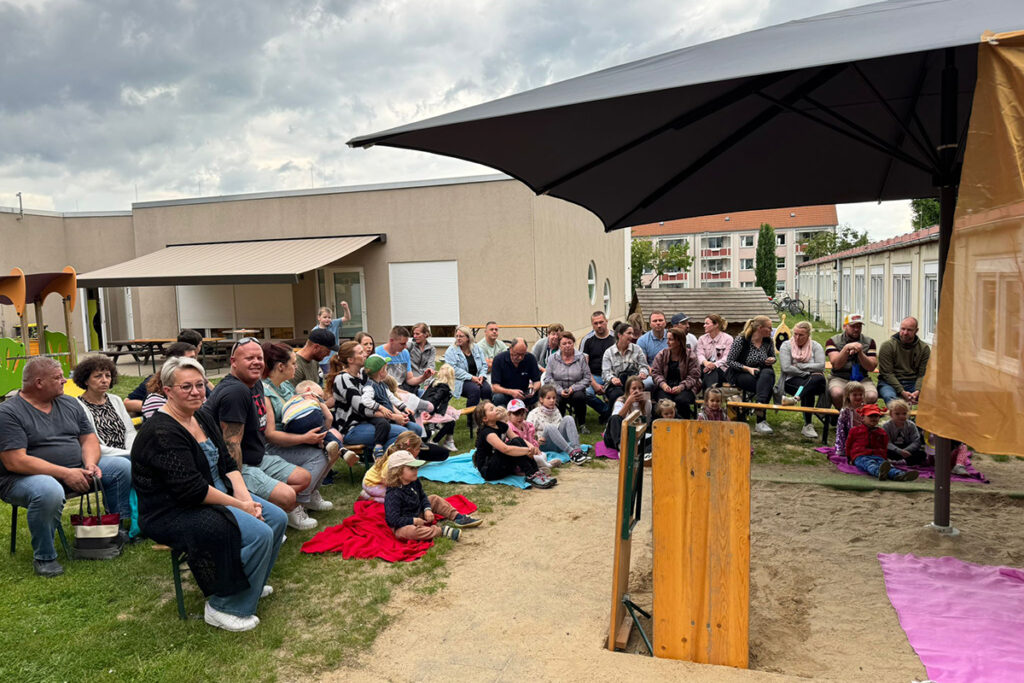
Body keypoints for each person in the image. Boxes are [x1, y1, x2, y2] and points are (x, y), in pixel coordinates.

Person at [131, 356, 287, 632]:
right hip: (174, 508)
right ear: (167, 391)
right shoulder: (161, 432)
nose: (196, 392)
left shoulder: (201, 415)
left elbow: (227, 463)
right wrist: (240, 505)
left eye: (200, 385)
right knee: (259, 533)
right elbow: (192, 490)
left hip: (218, 493)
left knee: (277, 517)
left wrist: (246, 499)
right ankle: (222, 605)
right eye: (186, 387)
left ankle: (249, 582)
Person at [0, 357, 132, 577]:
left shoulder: (69, 403)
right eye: (58, 377)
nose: (64, 380)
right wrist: (65, 473)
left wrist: (90, 464)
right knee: (48, 490)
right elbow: (16, 461)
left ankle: (114, 530)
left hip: (76, 468)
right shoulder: (9, 413)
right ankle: (44, 557)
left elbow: (89, 438)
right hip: (22, 478)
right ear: (39, 382)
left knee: (120, 467)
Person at [202, 338, 315, 531]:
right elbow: (232, 445)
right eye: (249, 358)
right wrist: (238, 489)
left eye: (259, 357)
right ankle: (265, 513)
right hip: (241, 465)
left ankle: (272, 506)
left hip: (259, 457)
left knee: (304, 478)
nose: (256, 362)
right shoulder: (234, 392)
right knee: (288, 496)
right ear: (233, 361)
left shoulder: (255, 383)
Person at [260, 342, 338, 526]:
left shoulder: (285, 385)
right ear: (281, 366)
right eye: (293, 363)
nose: (296, 367)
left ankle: (309, 495)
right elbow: (270, 435)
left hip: (294, 439)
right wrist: (305, 438)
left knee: (332, 449)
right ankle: (293, 506)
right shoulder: (265, 392)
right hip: (275, 446)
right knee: (319, 456)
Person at [330, 342, 409, 463]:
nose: (365, 354)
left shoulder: (363, 374)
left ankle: (388, 461)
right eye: (360, 352)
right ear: (350, 359)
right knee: (403, 434)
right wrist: (393, 416)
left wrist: (399, 412)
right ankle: (381, 465)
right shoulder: (343, 379)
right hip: (352, 428)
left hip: (373, 422)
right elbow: (362, 408)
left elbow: (382, 395)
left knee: (414, 429)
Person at [384, 450, 481, 543]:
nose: (416, 470)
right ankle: (440, 531)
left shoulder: (414, 481)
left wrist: (427, 509)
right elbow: (393, 520)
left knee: (434, 498)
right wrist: (413, 520)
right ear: (398, 472)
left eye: (416, 467)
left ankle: (458, 517)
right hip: (402, 524)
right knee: (409, 531)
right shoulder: (393, 494)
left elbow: (422, 496)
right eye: (411, 468)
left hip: (417, 512)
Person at [473, 401, 555, 488]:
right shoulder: (487, 432)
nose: (496, 409)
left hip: (502, 466)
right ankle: (531, 474)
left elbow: (517, 438)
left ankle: (535, 472)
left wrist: (531, 447)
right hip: (490, 471)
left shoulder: (501, 425)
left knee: (517, 440)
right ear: (485, 418)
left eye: (495, 406)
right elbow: (506, 449)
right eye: (492, 409)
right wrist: (527, 451)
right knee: (513, 444)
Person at [124, 330, 205, 413]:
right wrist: (154, 406)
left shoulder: (198, 381)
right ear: (174, 361)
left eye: (199, 385)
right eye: (186, 387)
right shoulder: (153, 381)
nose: (194, 362)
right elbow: (127, 403)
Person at [72, 354, 137, 457]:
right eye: (98, 376)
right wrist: (127, 454)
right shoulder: (77, 406)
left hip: (128, 454)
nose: (104, 380)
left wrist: (131, 452)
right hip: (102, 457)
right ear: (85, 380)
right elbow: (91, 444)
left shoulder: (116, 400)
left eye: (108, 376)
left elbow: (130, 432)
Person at [726, 316, 777, 435]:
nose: (771, 330)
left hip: (762, 373)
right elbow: (730, 361)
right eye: (769, 328)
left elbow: (773, 356)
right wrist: (748, 369)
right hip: (741, 373)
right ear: (760, 328)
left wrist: (771, 360)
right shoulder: (742, 340)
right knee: (766, 386)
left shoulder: (768, 341)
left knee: (767, 374)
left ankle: (759, 405)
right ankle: (761, 420)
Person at [776, 321, 827, 439]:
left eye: (801, 335)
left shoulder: (816, 346)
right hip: (792, 380)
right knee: (809, 388)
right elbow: (786, 368)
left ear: (808, 335)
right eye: (795, 334)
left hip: (816, 381)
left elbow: (821, 366)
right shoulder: (786, 345)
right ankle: (808, 425)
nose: (797, 337)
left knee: (817, 378)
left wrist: (800, 366)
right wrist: (806, 372)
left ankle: (795, 399)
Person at [846, 404, 919, 482]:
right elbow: (848, 445)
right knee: (869, 464)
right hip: (860, 456)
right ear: (863, 418)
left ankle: (899, 475)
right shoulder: (855, 430)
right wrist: (849, 458)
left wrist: (884, 458)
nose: (874, 418)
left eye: (876, 416)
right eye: (871, 416)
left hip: (878, 455)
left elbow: (884, 447)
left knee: (887, 466)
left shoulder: (881, 432)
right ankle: (879, 473)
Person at [825, 313, 879, 409]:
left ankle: (859, 417)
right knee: (837, 393)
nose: (856, 329)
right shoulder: (832, 341)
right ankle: (842, 416)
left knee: (871, 396)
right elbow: (836, 365)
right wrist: (846, 349)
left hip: (862, 378)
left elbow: (871, 367)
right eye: (852, 326)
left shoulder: (869, 342)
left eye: (859, 326)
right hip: (839, 377)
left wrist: (860, 352)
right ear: (845, 326)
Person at [541, 331, 592, 430]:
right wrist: (560, 390)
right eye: (564, 344)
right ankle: (560, 424)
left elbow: (587, 378)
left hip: (576, 389)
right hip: (558, 390)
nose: (567, 346)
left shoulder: (581, 357)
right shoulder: (552, 358)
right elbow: (548, 378)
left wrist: (573, 388)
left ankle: (581, 423)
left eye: (570, 343)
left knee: (579, 397)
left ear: (573, 343)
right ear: (559, 346)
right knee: (556, 398)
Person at [359, 431, 427, 503]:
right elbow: (385, 479)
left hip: (373, 482)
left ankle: (369, 493)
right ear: (409, 450)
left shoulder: (397, 454)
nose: (419, 451)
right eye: (418, 449)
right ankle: (371, 498)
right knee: (396, 498)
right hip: (372, 484)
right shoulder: (393, 460)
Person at [877, 317, 930, 406]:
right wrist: (902, 392)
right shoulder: (887, 346)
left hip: (912, 382)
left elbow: (922, 374)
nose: (905, 333)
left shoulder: (924, 349)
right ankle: (898, 419)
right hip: (889, 383)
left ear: (916, 331)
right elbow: (887, 374)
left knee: (932, 396)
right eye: (903, 329)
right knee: (890, 397)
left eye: (909, 330)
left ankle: (923, 419)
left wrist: (917, 391)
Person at [526, 388, 586, 464]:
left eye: (554, 398)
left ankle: (578, 450)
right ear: (541, 399)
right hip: (544, 444)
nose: (552, 400)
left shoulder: (556, 410)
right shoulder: (533, 413)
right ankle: (572, 453)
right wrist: (537, 439)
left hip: (560, 443)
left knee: (568, 418)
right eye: (548, 398)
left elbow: (560, 427)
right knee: (549, 427)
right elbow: (528, 433)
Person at [651, 327, 700, 419]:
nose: (667, 342)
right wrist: (663, 384)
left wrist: (681, 387)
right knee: (664, 402)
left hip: (686, 387)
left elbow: (694, 376)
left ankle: (684, 425)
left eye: (671, 339)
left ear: (679, 341)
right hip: (666, 386)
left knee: (681, 400)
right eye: (667, 339)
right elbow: (655, 372)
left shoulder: (690, 356)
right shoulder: (662, 354)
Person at [507, 398, 567, 471]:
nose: (520, 417)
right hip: (520, 455)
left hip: (531, 452)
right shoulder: (509, 428)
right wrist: (528, 451)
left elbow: (531, 440)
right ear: (509, 414)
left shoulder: (526, 425)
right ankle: (548, 465)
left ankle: (541, 466)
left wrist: (536, 447)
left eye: (522, 414)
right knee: (536, 458)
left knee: (543, 455)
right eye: (516, 414)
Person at [443, 326, 492, 407]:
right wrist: (471, 377)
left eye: (461, 336)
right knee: (474, 390)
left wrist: (482, 375)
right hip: (459, 380)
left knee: (487, 390)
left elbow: (484, 364)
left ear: (468, 338)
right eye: (457, 336)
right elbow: (453, 370)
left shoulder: (476, 348)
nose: (458, 338)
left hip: (477, 377)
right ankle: (471, 418)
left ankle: (488, 415)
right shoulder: (451, 351)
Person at [602, 323, 650, 405]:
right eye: (629, 333)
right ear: (619, 335)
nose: (632, 336)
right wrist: (612, 379)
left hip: (634, 384)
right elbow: (605, 373)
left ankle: (644, 416)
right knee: (617, 396)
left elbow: (644, 366)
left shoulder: (637, 349)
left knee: (645, 396)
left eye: (632, 333)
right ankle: (615, 416)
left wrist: (643, 372)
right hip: (616, 386)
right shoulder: (609, 352)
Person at [580, 311, 615, 421]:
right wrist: (594, 384)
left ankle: (612, 414)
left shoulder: (616, 338)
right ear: (592, 324)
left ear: (606, 321)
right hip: (593, 376)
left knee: (619, 392)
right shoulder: (587, 340)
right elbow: (584, 366)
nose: (599, 325)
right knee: (585, 393)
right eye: (596, 323)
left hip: (613, 375)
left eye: (601, 322)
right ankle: (606, 412)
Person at [603, 376, 651, 452]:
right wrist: (628, 402)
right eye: (634, 388)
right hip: (616, 436)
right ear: (628, 390)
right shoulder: (620, 401)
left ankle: (632, 447)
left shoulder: (647, 403)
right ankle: (622, 446)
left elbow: (646, 423)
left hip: (635, 436)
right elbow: (616, 420)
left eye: (640, 388)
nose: (637, 391)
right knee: (615, 417)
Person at [377, 326, 433, 391]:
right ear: (391, 341)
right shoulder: (377, 353)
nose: (406, 346)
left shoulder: (405, 353)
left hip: (403, 389)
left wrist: (424, 377)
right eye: (402, 344)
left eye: (406, 343)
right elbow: (377, 382)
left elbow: (410, 379)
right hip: (386, 391)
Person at [490, 338, 542, 408]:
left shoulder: (530, 358)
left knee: (540, 394)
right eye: (517, 354)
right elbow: (495, 387)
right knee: (498, 398)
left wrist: (533, 390)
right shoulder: (499, 360)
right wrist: (512, 392)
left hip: (524, 394)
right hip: (506, 393)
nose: (520, 358)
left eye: (523, 354)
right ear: (510, 349)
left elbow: (537, 381)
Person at [883, 399, 924, 466]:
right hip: (894, 449)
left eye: (904, 413)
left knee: (921, 454)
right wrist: (899, 451)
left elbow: (916, 441)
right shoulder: (886, 426)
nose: (901, 416)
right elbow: (886, 442)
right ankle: (899, 461)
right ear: (891, 414)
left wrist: (906, 450)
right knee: (883, 452)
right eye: (897, 414)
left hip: (907, 448)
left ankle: (900, 461)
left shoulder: (911, 425)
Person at [696, 314, 733, 390]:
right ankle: (711, 394)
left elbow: (727, 357)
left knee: (711, 371)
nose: (704, 325)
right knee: (709, 372)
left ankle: (708, 396)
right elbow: (699, 354)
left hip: (722, 371)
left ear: (716, 325)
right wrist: (706, 363)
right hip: (704, 368)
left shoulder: (728, 339)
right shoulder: (702, 339)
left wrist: (714, 365)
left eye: (707, 323)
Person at [313, 303, 351, 374]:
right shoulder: (315, 330)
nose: (327, 319)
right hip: (322, 360)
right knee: (328, 377)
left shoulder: (334, 324)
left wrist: (346, 308)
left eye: (329, 317)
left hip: (334, 358)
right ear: (319, 318)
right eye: (325, 317)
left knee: (337, 375)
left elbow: (347, 318)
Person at [834, 381, 867, 462]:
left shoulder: (866, 409)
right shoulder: (845, 411)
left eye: (860, 394)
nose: (858, 397)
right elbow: (840, 430)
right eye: (855, 395)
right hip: (850, 439)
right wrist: (840, 448)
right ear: (848, 396)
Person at [636, 311, 669, 379]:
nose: (658, 323)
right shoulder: (642, 340)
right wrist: (653, 373)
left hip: (672, 373)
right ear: (650, 324)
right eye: (655, 321)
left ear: (665, 323)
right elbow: (643, 363)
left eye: (660, 320)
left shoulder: (673, 337)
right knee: (646, 384)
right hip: (652, 374)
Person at [407, 323, 437, 391]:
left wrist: (426, 384)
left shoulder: (431, 349)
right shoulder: (409, 346)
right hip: (412, 380)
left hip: (426, 380)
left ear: (425, 334)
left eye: (417, 334)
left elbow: (431, 366)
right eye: (414, 334)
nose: (414, 336)